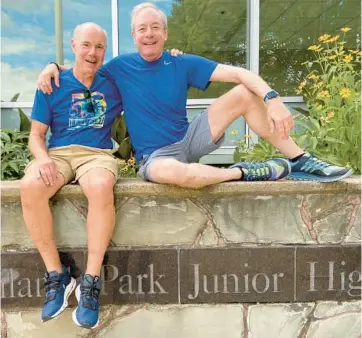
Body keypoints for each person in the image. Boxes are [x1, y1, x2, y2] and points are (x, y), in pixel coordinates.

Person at [38, 2, 352, 187]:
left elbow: (239, 73)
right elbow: (84, 68)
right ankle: (243, 172)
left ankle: (301, 159)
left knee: (244, 92)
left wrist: (273, 98)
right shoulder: (119, 67)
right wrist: (52, 67)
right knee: (169, 172)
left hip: (189, 138)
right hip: (156, 157)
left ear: (164, 33)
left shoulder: (181, 62)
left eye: (155, 27)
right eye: (142, 29)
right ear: (134, 36)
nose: (149, 33)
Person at [20, 22, 123, 329]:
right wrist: (42, 159)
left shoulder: (114, 81)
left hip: (97, 155)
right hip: (59, 154)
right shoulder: (52, 83)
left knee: (101, 184)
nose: (93, 52)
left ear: (105, 51)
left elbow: (148, 68)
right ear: (74, 45)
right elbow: (36, 135)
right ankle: (57, 276)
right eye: (86, 45)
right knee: (30, 186)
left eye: (100, 47)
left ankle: (90, 283)